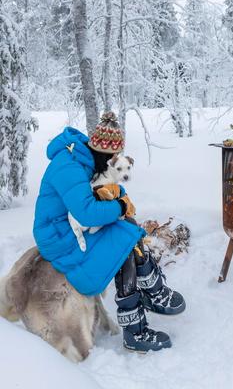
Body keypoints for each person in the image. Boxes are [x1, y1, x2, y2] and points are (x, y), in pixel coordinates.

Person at [33, 112, 185, 352]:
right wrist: (120, 205)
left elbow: (102, 189)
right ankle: (135, 329)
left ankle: (152, 290)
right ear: (103, 154)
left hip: (70, 226)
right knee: (122, 242)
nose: (114, 162)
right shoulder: (69, 166)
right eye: (113, 158)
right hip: (58, 236)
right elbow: (86, 212)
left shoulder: (86, 159)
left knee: (130, 227)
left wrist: (119, 196)